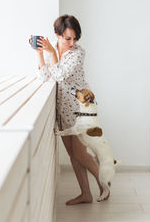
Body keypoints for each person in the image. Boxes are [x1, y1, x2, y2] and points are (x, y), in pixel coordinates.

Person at [32, 14, 105, 205]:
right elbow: (45, 77)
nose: (72, 43)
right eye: (68, 38)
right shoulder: (52, 50)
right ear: (57, 35)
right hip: (63, 110)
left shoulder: (78, 53)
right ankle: (86, 194)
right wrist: (40, 53)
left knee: (80, 153)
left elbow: (60, 75)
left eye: (75, 38)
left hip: (80, 107)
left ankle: (105, 183)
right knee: (73, 155)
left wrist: (53, 55)